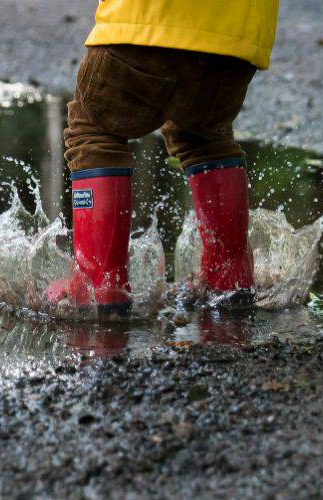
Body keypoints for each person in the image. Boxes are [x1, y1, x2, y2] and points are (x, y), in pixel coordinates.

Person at [46, 0, 279, 315]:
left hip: (151, 20)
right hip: (237, 40)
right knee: (204, 135)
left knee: (94, 130)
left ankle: (97, 285)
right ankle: (228, 277)